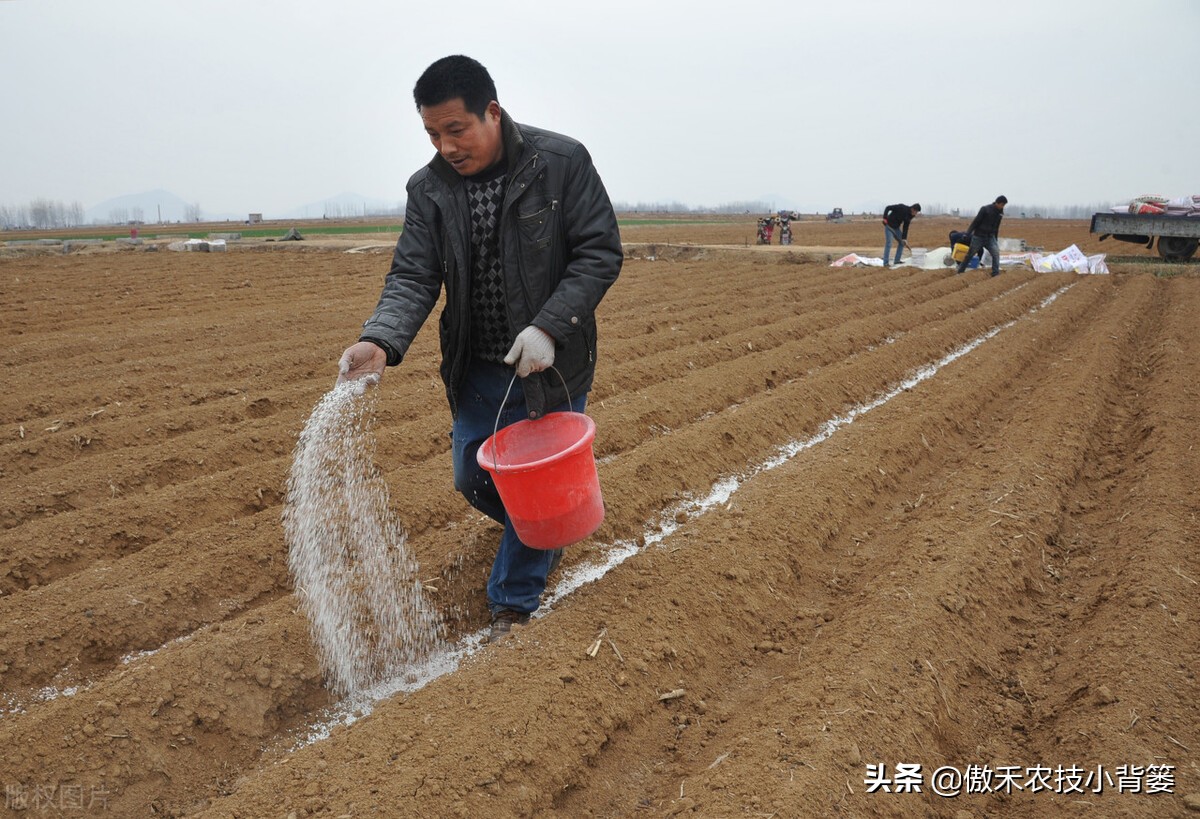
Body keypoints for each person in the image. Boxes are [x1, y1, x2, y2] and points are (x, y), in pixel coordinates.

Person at [335, 55, 623, 642]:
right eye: (432, 134)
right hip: (478, 365)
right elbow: (413, 276)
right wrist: (380, 341)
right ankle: (545, 531)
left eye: (456, 130)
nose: (445, 146)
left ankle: (512, 606)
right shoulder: (429, 190)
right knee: (472, 476)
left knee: (533, 478)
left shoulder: (561, 163)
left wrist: (548, 326)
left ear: (491, 112)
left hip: (550, 362)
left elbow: (599, 253)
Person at [956, 196, 1007, 276]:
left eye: (1003, 205)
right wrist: (968, 233)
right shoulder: (985, 209)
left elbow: (997, 227)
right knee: (970, 254)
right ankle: (960, 271)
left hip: (990, 238)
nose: (1002, 207)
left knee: (996, 253)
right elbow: (975, 222)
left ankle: (995, 273)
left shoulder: (1000, 213)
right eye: (1002, 205)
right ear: (997, 203)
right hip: (979, 237)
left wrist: (995, 239)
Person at [882, 202, 921, 267]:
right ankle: (885, 263)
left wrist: (904, 238)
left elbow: (905, 227)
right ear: (913, 209)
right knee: (889, 243)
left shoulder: (910, 216)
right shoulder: (901, 207)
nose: (916, 214)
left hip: (896, 228)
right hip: (889, 226)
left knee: (902, 243)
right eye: (916, 212)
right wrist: (885, 218)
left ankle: (897, 260)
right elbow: (888, 207)